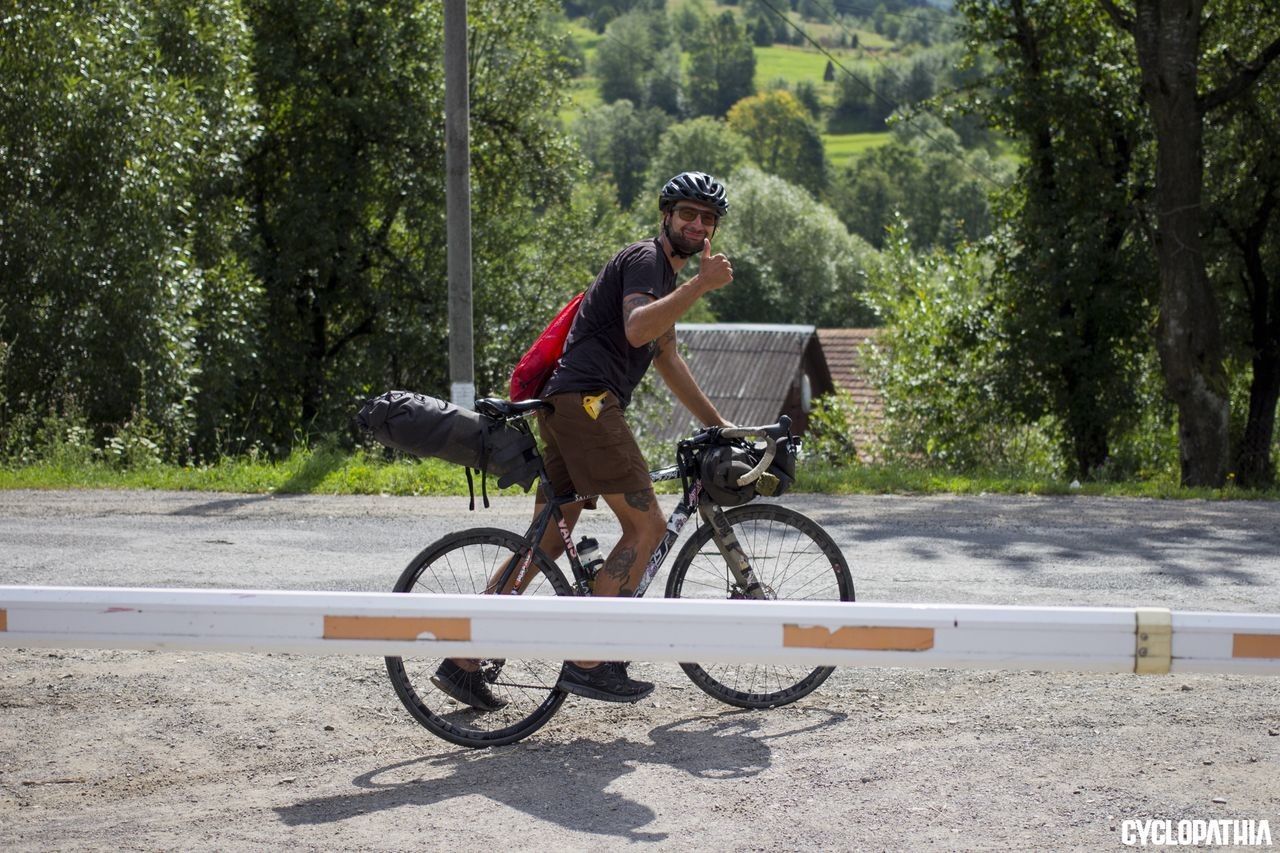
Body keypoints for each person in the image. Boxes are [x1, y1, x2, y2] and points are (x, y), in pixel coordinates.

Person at [431, 171, 735, 710]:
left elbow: (666, 357)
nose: (697, 223)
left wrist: (721, 426)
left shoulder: (664, 280)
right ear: (666, 216)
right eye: (688, 213)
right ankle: (589, 659)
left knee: (550, 536)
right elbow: (639, 329)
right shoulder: (647, 261)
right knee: (647, 525)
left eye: (707, 217)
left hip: (564, 405)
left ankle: (461, 661)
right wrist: (700, 286)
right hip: (589, 402)